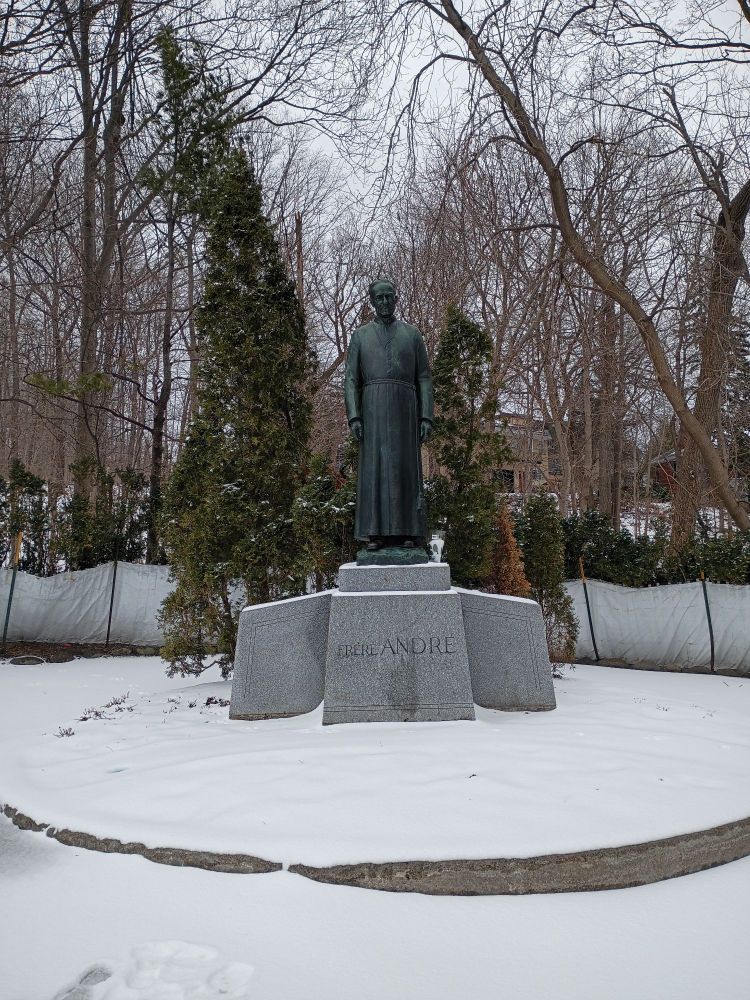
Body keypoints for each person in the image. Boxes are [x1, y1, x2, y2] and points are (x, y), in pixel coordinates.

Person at [344, 279, 434, 552]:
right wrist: (355, 416)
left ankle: (409, 531)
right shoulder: (360, 336)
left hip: (405, 408)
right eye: (379, 298)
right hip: (372, 409)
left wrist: (426, 416)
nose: (384, 302)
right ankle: (375, 533)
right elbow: (350, 380)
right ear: (372, 301)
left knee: (405, 468)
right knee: (375, 469)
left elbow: (424, 378)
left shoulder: (412, 334)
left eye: (389, 297)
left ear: (397, 299)